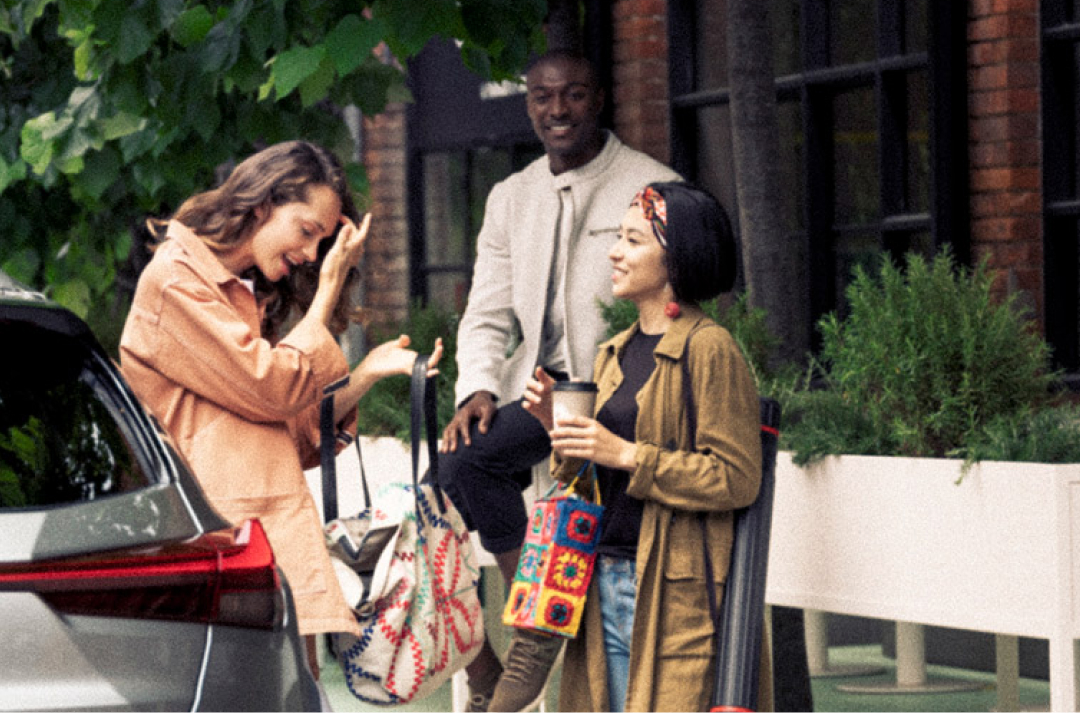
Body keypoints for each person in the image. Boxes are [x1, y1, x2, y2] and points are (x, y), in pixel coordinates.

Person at [119, 140, 441, 678]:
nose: (313, 255)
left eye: (323, 241)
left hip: (262, 549)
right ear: (263, 204)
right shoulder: (175, 280)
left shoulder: (242, 292)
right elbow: (271, 388)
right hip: (216, 549)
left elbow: (288, 431)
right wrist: (328, 291)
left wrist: (366, 374)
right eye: (307, 230)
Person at [434, 50, 680, 710]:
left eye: (573, 94)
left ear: (598, 98)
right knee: (454, 466)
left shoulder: (653, 184)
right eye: (543, 97)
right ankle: (527, 627)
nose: (558, 109)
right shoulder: (511, 197)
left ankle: (533, 628)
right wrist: (477, 388)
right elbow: (485, 310)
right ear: (529, 106)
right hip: (534, 392)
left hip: (618, 391)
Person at [510, 182, 764, 712]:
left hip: (675, 596)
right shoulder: (613, 353)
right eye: (617, 238)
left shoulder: (710, 348)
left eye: (633, 240)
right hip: (601, 579)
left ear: (675, 258)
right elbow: (590, 476)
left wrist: (626, 453)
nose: (614, 252)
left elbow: (737, 477)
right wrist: (557, 427)